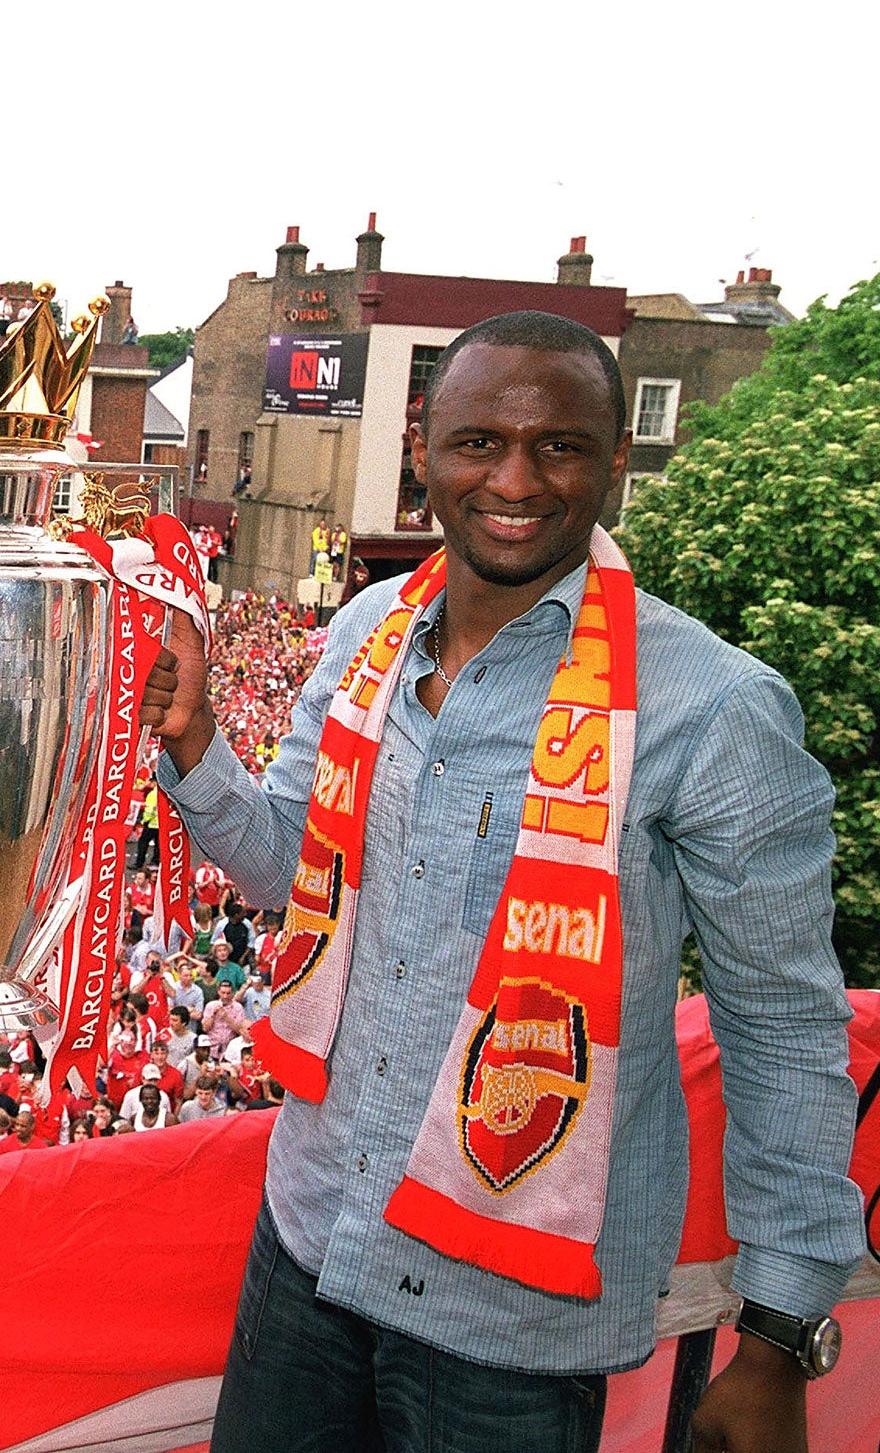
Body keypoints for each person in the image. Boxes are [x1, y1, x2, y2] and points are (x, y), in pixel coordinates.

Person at [144, 310, 860, 1451]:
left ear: (614, 459)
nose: (514, 479)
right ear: (422, 447)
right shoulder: (366, 628)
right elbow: (293, 863)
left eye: (558, 446)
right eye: (478, 441)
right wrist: (193, 749)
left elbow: (780, 1032)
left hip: (507, 1324)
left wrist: (777, 1337)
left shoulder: (715, 709)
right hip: (312, 1240)